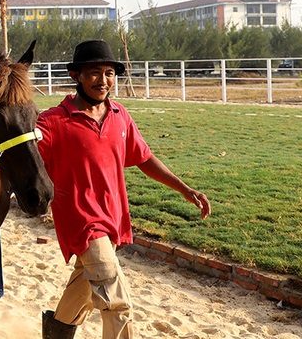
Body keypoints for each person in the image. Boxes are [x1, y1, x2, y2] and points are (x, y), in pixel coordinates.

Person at [36, 40, 211, 339]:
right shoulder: (53, 122)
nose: (103, 80)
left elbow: (144, 157)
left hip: (113, 219)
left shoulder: (119, 115)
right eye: (94, 72)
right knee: (117, 304)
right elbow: (23, 161)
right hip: (81, 222)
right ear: (75, 75)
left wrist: (184, 189)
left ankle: (56, 334)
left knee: (84, 290)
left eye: (109, 72)